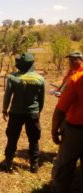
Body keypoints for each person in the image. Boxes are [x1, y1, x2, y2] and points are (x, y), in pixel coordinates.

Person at [1, 52, 45, 173]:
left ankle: (8, 163)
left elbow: (7, 96)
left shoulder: (13, 77)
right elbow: (41, 100)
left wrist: (5, 109)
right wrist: (37, 112)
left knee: (12, 138)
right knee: (34, 139)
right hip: (33, 113)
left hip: (16, 113)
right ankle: (34, 165)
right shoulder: (40, 79)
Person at [51, 64, 83, 193]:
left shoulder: (77, 79)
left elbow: (60, 110)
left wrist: (54, 130)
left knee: (65, 165)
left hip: (76, 132)